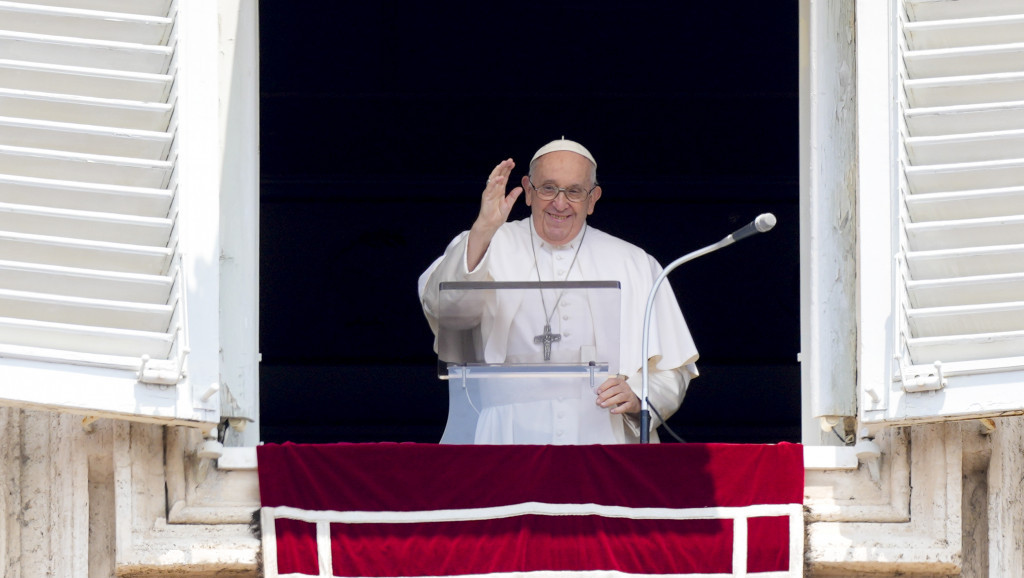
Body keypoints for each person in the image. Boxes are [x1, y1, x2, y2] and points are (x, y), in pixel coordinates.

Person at [419, 138, 699, 444]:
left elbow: (672, 370)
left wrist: (638, 393)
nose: (560, 203)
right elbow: (448, 311)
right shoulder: (484, 244)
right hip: (504, 435)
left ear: (593, 199)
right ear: (527, 190)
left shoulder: (633, 262)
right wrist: (484, 227)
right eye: (548, 188)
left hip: (602, 435)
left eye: (575, 191)